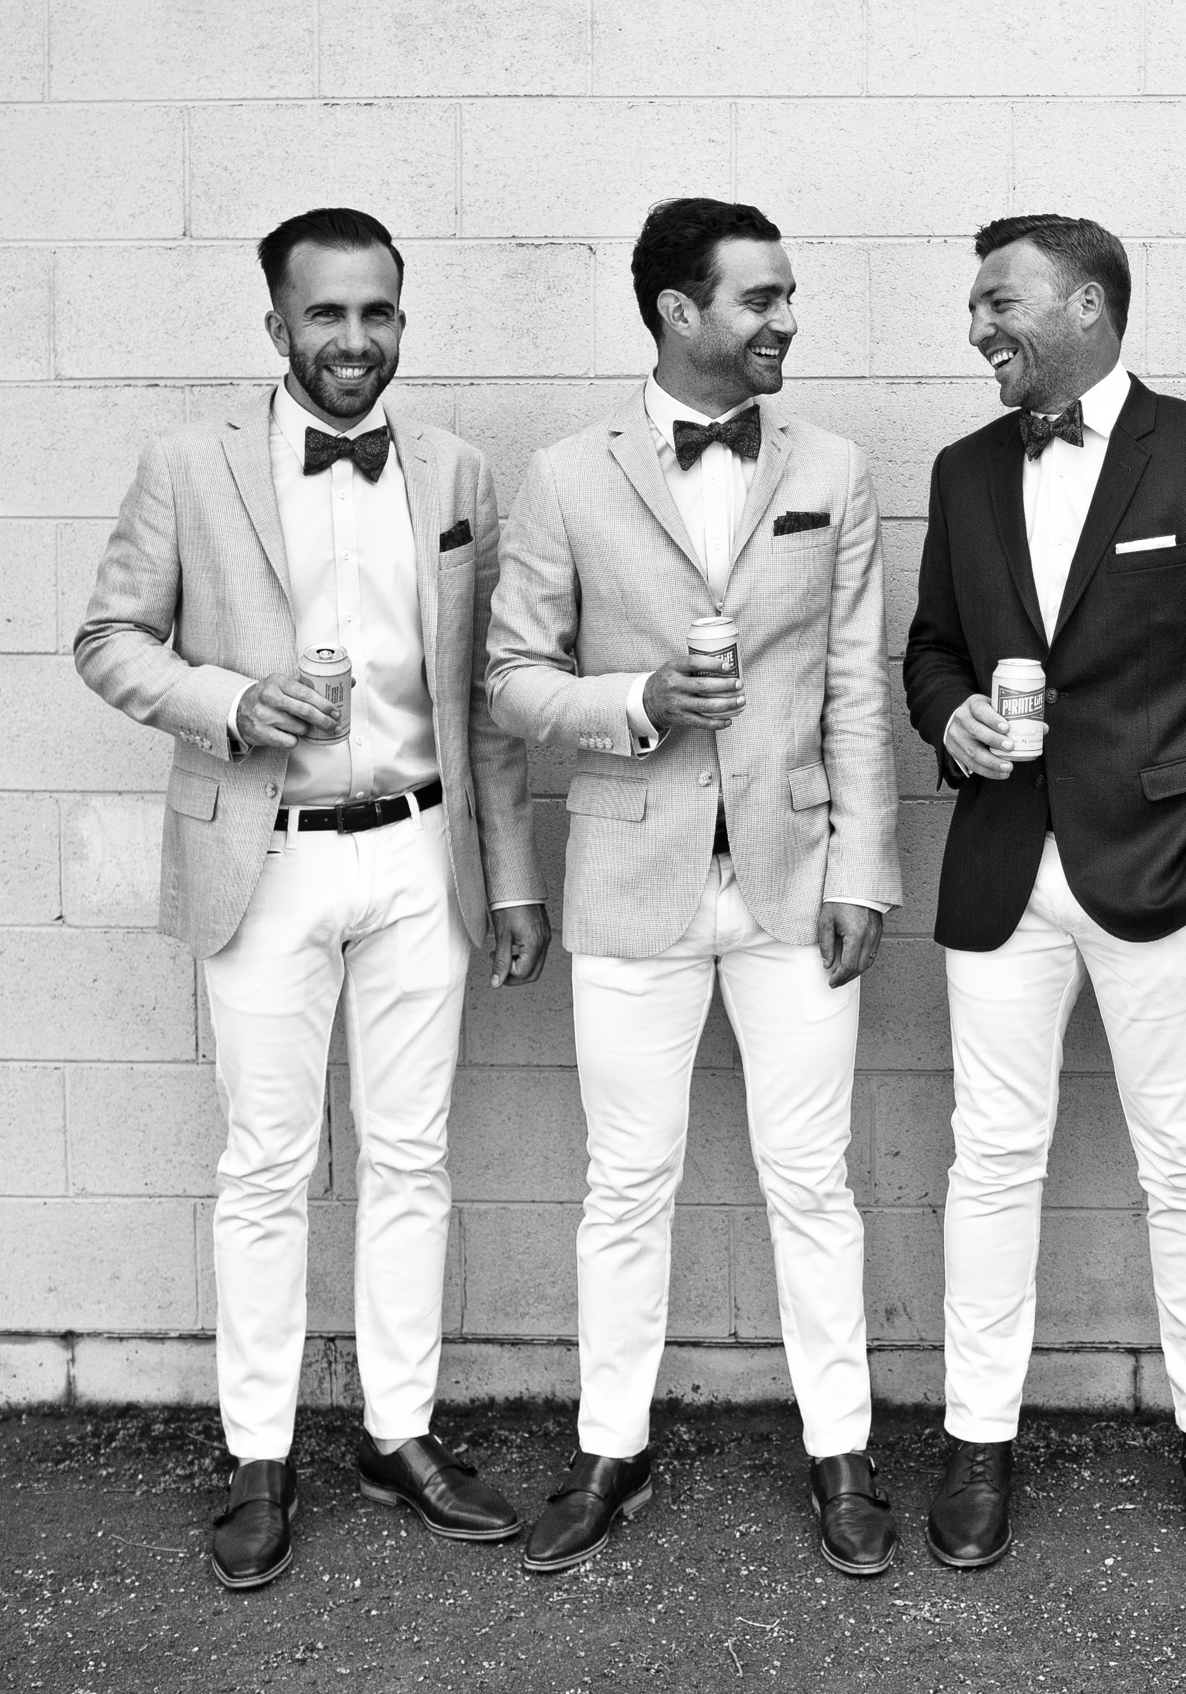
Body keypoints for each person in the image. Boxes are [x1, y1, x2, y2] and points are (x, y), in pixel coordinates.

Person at [75, 207, 548, 1592]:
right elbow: (108, 639)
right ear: (276, 325)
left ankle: (400, 1433)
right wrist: (233, 700)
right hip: (263, 856)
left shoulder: (456, 469)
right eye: (326, 314)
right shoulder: (190, 464)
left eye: (377, 312)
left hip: (418, 858)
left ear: (402, 319)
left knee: (412, 1158)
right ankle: (259, 1456)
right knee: (265, 1167)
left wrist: (511, 878)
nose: (354, 339)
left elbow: (485, 698)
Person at [486, 198, 900, 1578]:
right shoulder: (567, 477)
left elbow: (854, 685)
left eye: (788, 296)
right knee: (625, 1183)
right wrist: (637, 702)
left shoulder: (832, 467)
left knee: (813, 1183)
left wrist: (865, 869)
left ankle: (843, 1455)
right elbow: (512, 680)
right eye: (760, 299)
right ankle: (610, 1448)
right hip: (630, 877)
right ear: (678, 310)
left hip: (794, 882)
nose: (786, 320)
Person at [903, 213, 1186, 1569]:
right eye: (975, 306)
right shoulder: (964, 471)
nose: (978, 328)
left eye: (999, 301)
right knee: (990, 1160)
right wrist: (951, 716)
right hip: (1002, 871)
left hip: (1167, 870)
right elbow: (931, 649)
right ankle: (977, 1440)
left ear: (1087, 304)